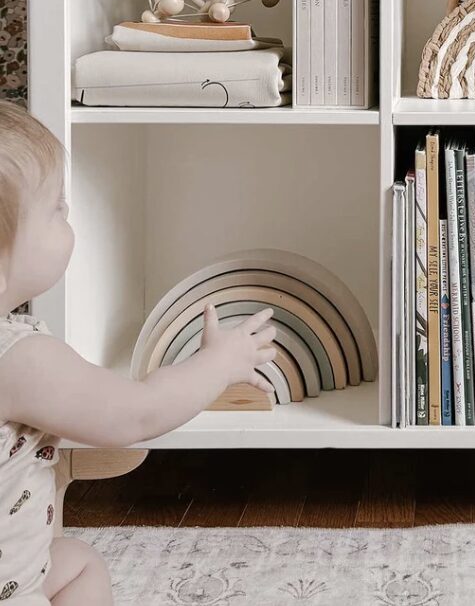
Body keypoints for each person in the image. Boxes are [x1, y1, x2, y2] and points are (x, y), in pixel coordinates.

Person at [0, 101, 276, 604]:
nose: (68, 214)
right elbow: (136, 413)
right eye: (56, 208)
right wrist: (218, 363)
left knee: (74, 561)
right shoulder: (18, 359)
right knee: (83, 570)